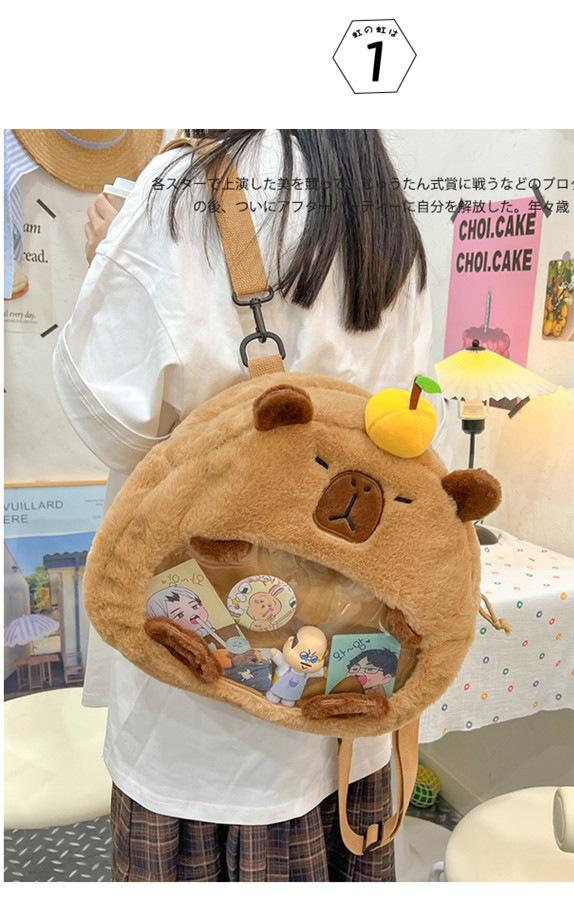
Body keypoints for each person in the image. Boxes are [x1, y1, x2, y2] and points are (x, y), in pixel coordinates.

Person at [52, 130, 442, 882]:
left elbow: (111, 425)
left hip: (194, 687)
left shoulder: (178, 187)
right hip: (344, 678)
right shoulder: (382, 207)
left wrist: (108, 259)